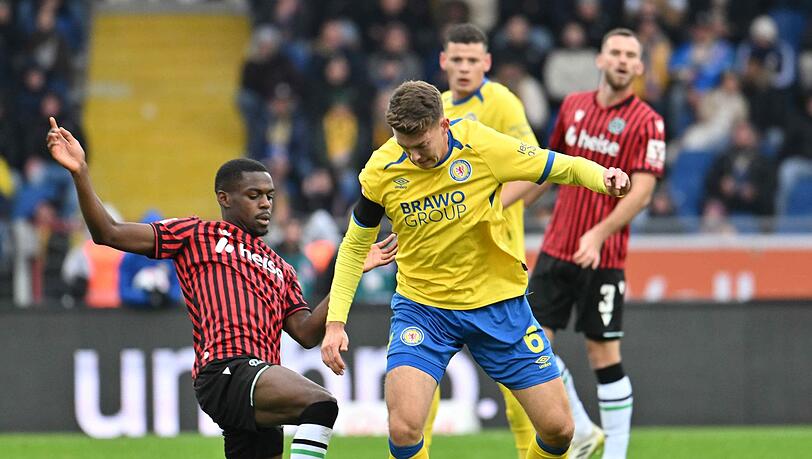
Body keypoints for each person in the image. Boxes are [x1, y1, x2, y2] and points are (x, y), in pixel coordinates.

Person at [45, 117, 397, 459]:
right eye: (254, 195)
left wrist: (350, 274)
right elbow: (108, 232)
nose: (265, 203)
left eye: (270, 196)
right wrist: (81, 172)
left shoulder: (282, 268)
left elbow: (306, 333)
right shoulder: (197, 234)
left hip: (259, 382)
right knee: (320, 405)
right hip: (228, 371)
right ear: (224, 198)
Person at [320, 80, 631, 459]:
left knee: (559, 430)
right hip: (424, 309)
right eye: (405, 146)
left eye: (421, 145)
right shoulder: (381, 170)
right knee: (403, 429)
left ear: (443, 125)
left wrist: (604, 177)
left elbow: (556, 165)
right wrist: (335, 324)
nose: (415, 157)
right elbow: (354, 246)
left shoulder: (482, 146)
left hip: (497, 302)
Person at [524, 28, 666, 459]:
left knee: (602, 354)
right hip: (555, 246)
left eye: (630, 55)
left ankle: (616, 453)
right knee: (531, 344)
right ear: (600, 59)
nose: (622, 60)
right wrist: (507, 208)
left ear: (639, 66)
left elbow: (642, 192)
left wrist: (599, 233)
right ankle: (584, 430)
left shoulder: (648, 121)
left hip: (603, 256)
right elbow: (547, 169)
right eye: (615, 52)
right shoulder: (572, 106)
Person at [423, 22, 542, 458]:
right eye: (457, 59)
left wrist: (489, 205)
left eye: (473, 60)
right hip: (446, 265)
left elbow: (537, 170)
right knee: (423, 376)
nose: (464, 67)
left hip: (497, 264)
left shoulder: (502, 102)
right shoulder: (437, 109)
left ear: (487, 63)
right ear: (443, 61)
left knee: (517, 387)